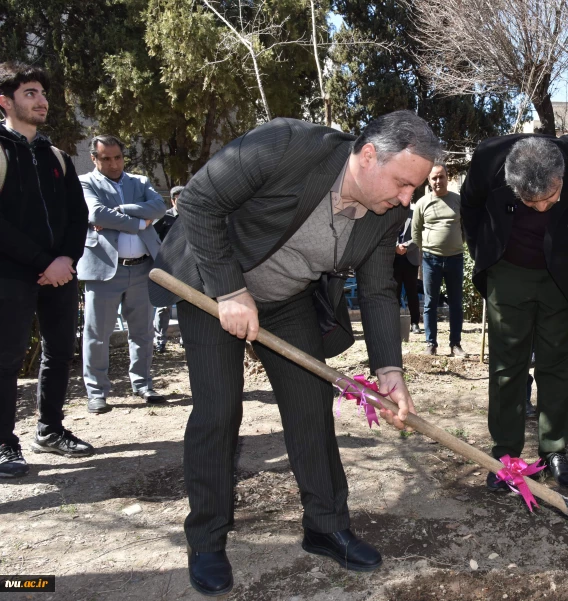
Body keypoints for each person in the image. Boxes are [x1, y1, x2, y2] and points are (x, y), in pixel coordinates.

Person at [149, 111, 440, 595]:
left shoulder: (387, 212)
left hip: (286, 300)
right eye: (404, 183)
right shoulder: (287, 145)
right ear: (369, 156)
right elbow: (199, 201)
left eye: (415, 187)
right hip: (210, 283)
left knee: (311, 404)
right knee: (219, 411)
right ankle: (206, 538)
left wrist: (389, 367)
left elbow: (378, 291)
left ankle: (325, 525)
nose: (407, 197)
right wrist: (229, 290)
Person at [461, 135, 568, 490]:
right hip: (508, 271)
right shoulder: (488, 161)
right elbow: (470, 210)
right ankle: (506, 453)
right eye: (530, 201)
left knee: (556, 364)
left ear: (561, 178)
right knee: (506, 367)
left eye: (550, 199)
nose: (541, 209)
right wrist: (489, 261)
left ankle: (554, 449)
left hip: (564, 277)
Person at [0, 61, 93, 477]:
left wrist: (66, 261)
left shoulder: (56, 155)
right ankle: (4, 444)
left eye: (42, 93)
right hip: (11, 276)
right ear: (5, 102)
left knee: (59, 352)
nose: (42, 101)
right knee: (6, 359)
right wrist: (44, 262)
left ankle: (50, 430)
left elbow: (78, 213)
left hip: (60, 274)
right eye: (30, 94)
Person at [78, 135, 167, 414]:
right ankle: (97, 392)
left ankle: (142, 384)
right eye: (106, 158)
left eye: (118, 157)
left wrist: (121, 211)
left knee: (142, 332)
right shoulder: (85, 182)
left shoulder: (139, 182)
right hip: (104, 270)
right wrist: (141, 222)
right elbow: (96, 214)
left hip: (143, 268)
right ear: (94, 158)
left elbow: (160, 207)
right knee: (97, 335)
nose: (114, 163)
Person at [412, 162, 466, 357]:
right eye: (434, 178)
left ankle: (456, 344)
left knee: (456, 304)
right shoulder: (422, 203)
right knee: (430, 304)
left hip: (455, 259)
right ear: (429, 180)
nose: (438, 181)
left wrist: (456, 244)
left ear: (447, 177)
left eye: (441, 177)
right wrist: (428, 248)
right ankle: (431, 343)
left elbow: (465, 229)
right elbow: (416, 232)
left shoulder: (458, 201)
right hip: (430, 260)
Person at [152, 185, 182, 352]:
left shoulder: (190, 216)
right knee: (164, 306)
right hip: (167, 267)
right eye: (179, 199)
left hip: (186, 267)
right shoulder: (164, 218)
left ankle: (185, 339)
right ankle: (160, 341)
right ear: (172, 200)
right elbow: (151, 237)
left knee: (186, 304)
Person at [393, 204, 422, 334]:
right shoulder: (390, 214)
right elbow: (385, 234)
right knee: (394, 292)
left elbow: (419, 235)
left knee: (412, 292)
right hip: (394, 259)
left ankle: (415, 323)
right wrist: (395, 247)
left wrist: (405, 247)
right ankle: (394, 322)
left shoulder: (415, 214)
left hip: (410, 258)